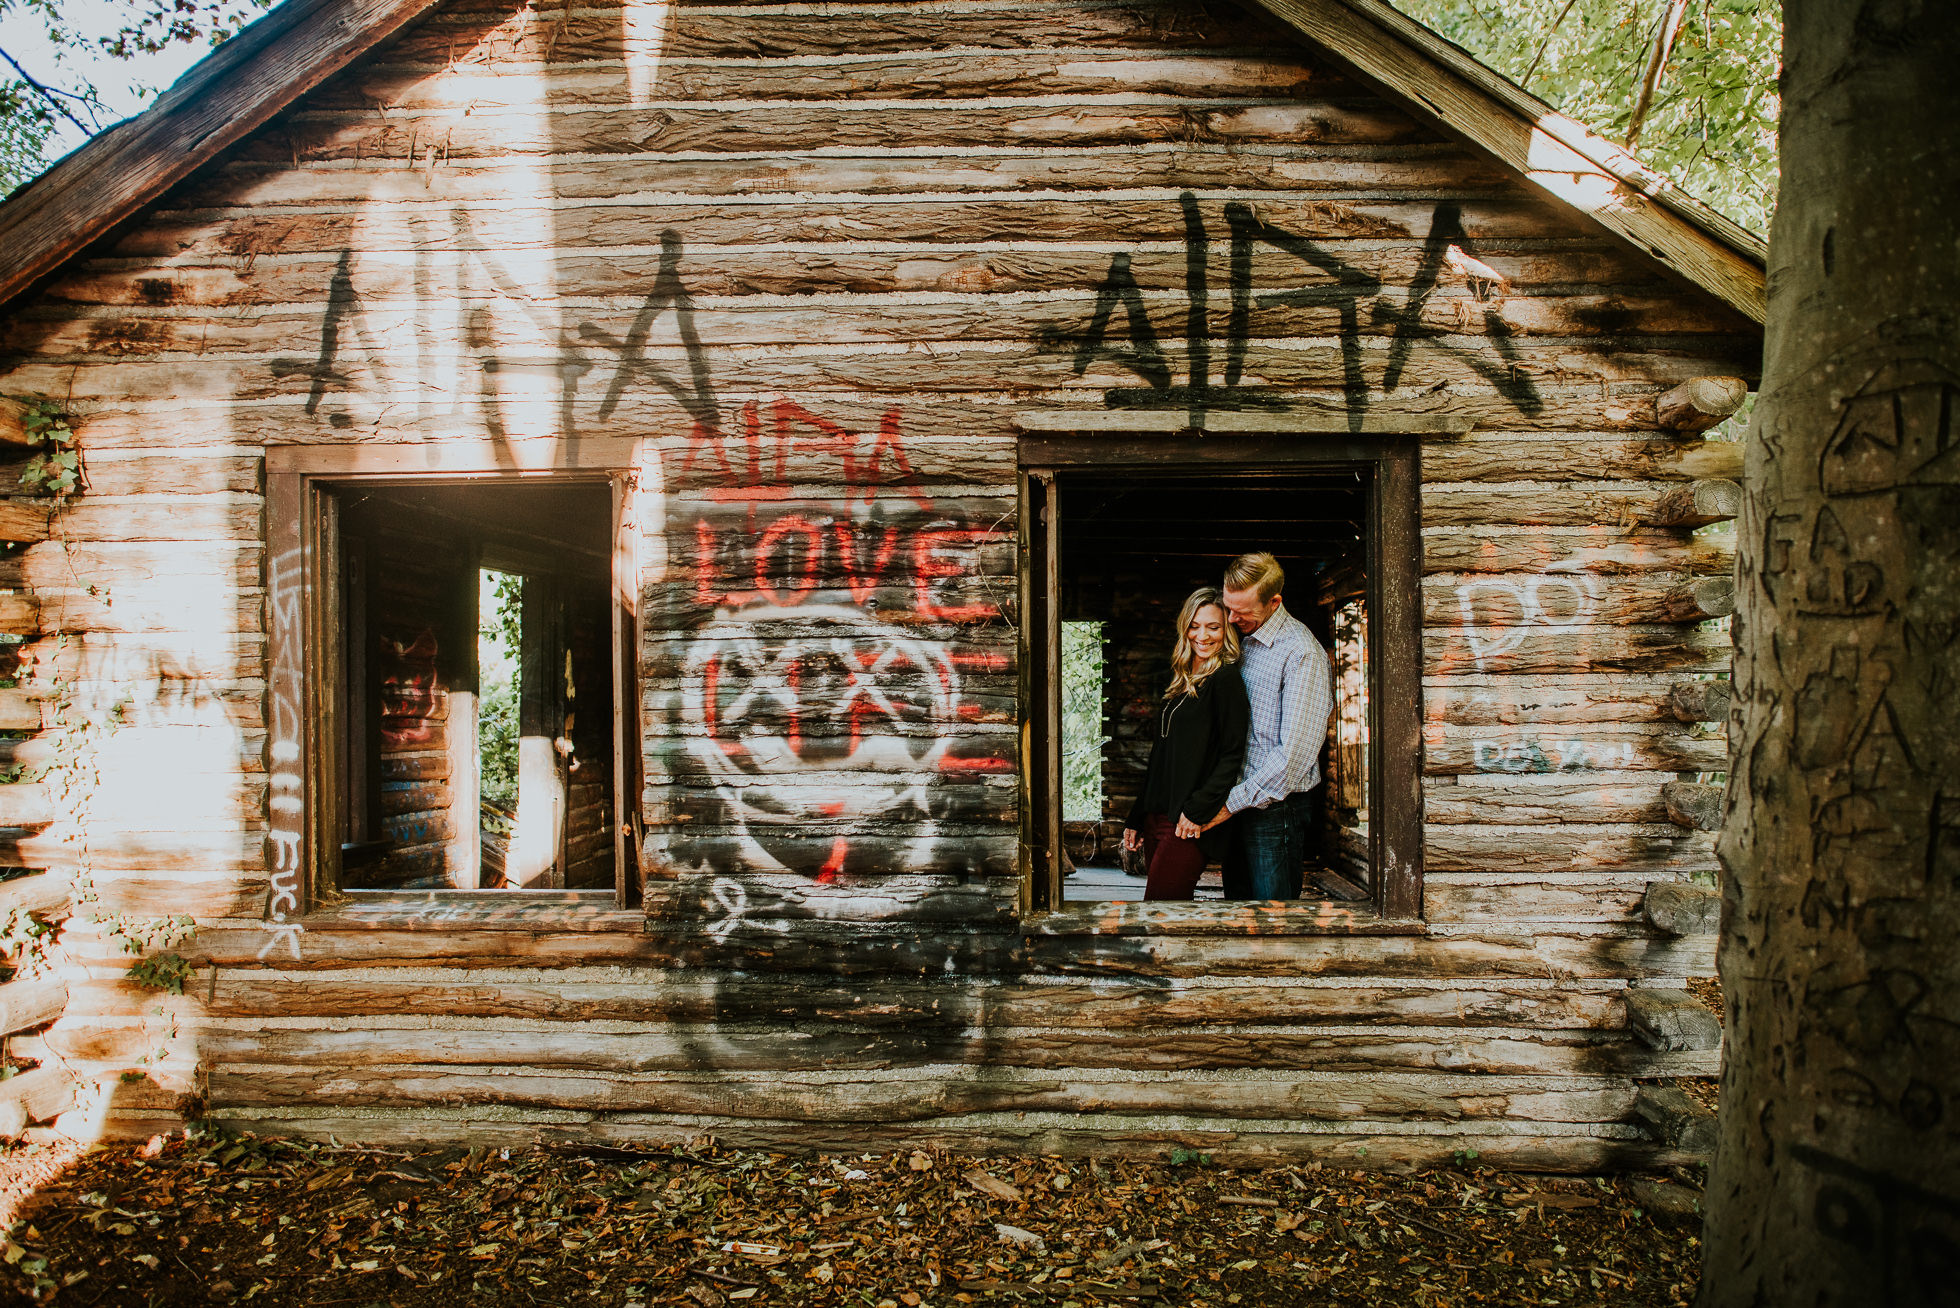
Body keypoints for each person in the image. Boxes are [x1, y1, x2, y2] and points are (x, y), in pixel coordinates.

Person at [1206, 551, 1334, 901]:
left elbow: (1292, 758)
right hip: (1240, 801)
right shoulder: (1240, 639)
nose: (1231, 618)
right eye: (1228, 606)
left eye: (1242, 611)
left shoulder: (1301, 653)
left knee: (1273, 915)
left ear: (1275, 601)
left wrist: (1229, 804)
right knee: (1239, 907)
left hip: (1276, 809)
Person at [1120, 588, 1251, 901]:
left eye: (1213, 627)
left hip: (1188, 822)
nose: (1202, 635)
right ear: (1185, 628)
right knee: (1166, 912)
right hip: (1158, 816)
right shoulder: (1182, 677)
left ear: (1226, 631)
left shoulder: (1225, 679)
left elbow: (1232, 754)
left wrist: (1197, 810)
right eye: (1194, 625)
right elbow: (1161, 756)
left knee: (1159, 908)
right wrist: (1138, 815)